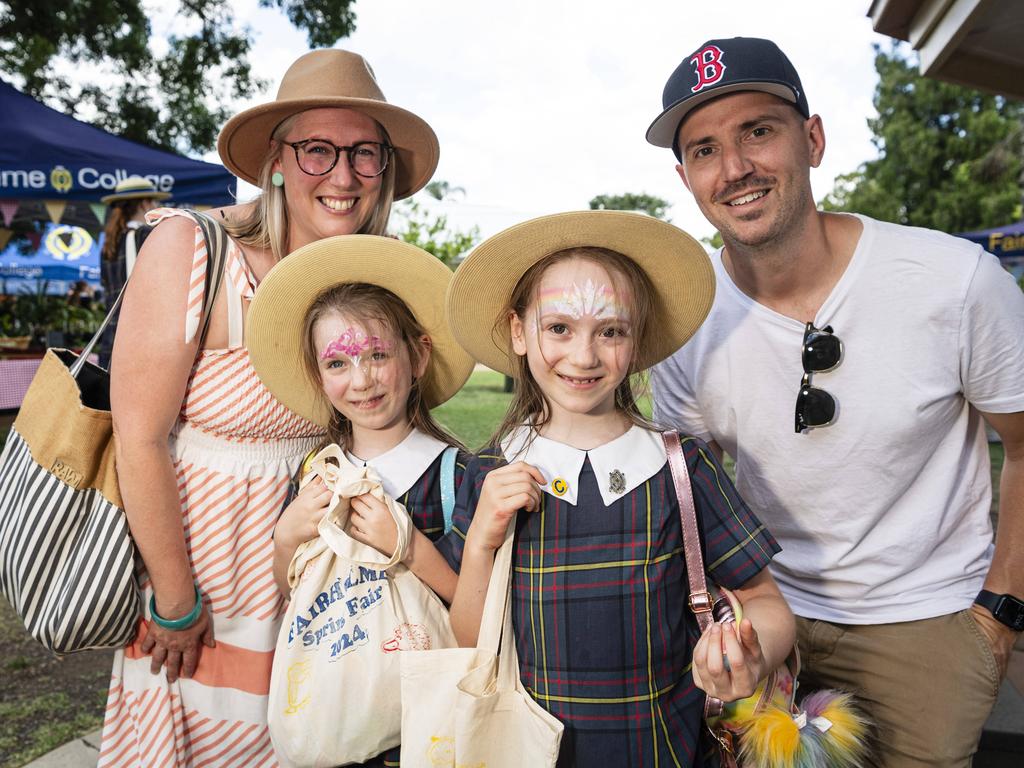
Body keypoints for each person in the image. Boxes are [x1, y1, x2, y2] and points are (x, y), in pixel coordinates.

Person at [645, 36, 1024, 767]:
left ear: (811, 139)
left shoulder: (955, 280)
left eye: (759, 130)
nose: (735, 169)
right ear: (686, 175)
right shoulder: (685, 326)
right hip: (769, 617)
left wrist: (1000, 612)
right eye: (704, 150)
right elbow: (694, 496)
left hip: (925, 622)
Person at [99, 48, 440, 768]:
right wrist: (174, 599)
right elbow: (139, 437)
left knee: (315, 738)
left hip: (323, 578)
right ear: (276, 161)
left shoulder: (371, 276)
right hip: (204, 575)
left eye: (364, 155)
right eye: (317, 150)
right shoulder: (194, 248)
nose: (342, 176)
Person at [438, 210, 796, 766]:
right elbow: (467, 643)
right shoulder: (487, 473)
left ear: (637, 338)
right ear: (518, 332)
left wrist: (751, 653)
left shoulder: (682, 469)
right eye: (558, 328)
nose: (584, 356)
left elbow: (766, 603)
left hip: (664, 751)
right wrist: (483, 541)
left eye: (610, 331)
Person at [245, 234, 474, 767]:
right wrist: (286, 537)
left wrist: (410, 550)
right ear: (318, 376)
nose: (362, 380)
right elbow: (295, 589)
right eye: (338, 364)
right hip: (335, 715)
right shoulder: (317, 472)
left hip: (423, 726)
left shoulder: (455, 475)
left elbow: (477, 610)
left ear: (417, 356)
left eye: (377, 355)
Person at [97, 176, 170, 367]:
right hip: (141, 336)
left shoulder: (108, 245)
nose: (155, 205)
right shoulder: (146, 235)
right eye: (154, 201)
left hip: (112, 335)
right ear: (145, 204)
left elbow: (106, 287)